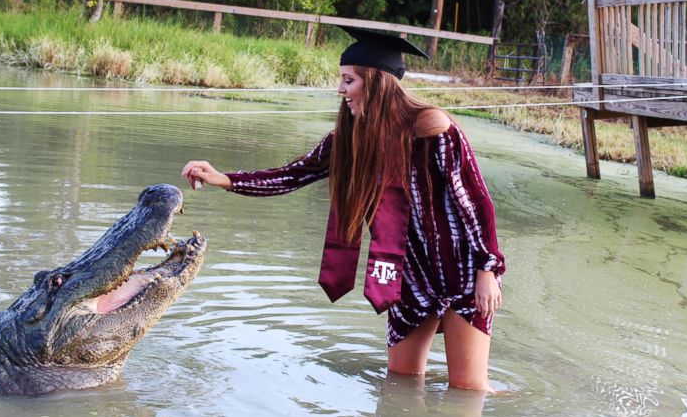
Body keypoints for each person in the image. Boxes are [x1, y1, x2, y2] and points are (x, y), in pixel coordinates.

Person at [181, 26, 505, 390]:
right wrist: (225, 178)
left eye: (348, 80)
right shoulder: (348, 139)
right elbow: (292, 175)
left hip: (462, 270)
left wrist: (487, 269)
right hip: (409, 274)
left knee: (468, 391)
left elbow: (475, 203)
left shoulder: (432, 127)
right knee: (400, 383)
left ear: (377, 82)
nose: (340, 90)